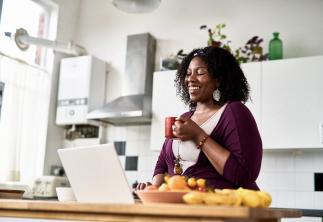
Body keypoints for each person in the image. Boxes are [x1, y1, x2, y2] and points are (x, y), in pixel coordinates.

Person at [137, 46, 262, 190]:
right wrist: (153, 188)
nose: (191, 79)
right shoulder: (184, 118)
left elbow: (244, 174)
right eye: (188, 73)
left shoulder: (234, 112)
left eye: (200, 73)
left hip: (223, 206)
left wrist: (198, 135)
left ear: (218, 80)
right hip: (186, 205)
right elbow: (163, 164)